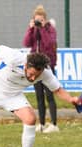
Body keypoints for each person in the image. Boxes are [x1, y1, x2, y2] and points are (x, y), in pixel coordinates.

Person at [23, 5, 58, 133]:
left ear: (45, 19)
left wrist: (43, 28)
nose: (39, 22)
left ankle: (54, 124)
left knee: (50, 95)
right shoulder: (33, 29)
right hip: (35, 66)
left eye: (41, 20)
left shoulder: (50, 29)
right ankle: (42, 124)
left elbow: (49, 43)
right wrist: (30, 29)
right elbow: (27, 43)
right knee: (39, 97)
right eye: (37, 19)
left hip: (47, 65)